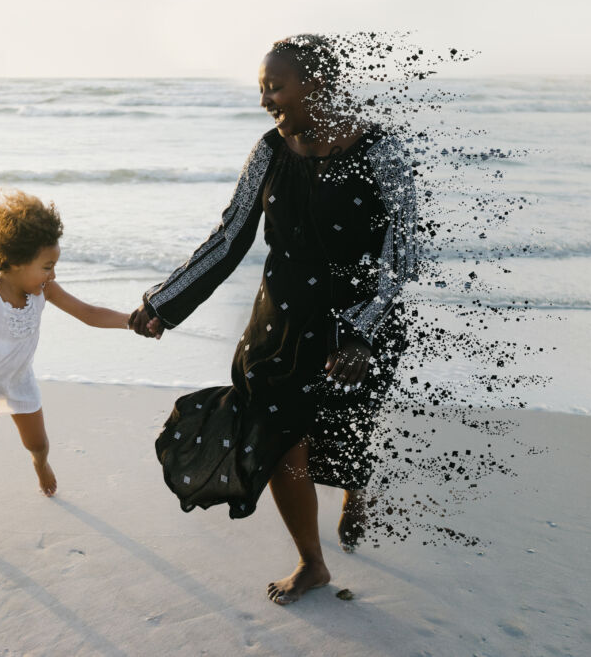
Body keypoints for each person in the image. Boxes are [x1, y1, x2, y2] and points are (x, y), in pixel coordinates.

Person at [129, 34, 417, 604]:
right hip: (279, 325)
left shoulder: (381, 149)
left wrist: (361, 333)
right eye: (262, 88)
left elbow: (403, 254)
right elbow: (230, 235)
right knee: (285, 441)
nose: (265, 100)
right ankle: (312, 564)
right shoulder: (267, 151)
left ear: (318, 85)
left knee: (342, 437)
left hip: (358, 326)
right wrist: (165, 302)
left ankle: (355, 487)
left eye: (275, 87)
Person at [0, 190, 133, 551]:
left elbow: (89, 313)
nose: (52, 273)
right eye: (47, 266)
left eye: (54, 266)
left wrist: (133, 321)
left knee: (38, 443)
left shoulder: (44, 290)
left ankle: (40, 464)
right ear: (16, 262)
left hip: (18, 379)